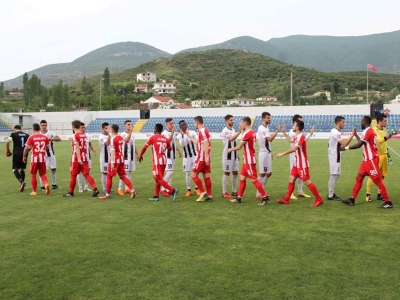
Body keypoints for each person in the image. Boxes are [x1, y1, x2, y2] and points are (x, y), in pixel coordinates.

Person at [340, 115, 393, 209]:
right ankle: (352, 199)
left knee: (377, 180)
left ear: (365, 122)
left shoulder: (368, 131)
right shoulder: (368, 131)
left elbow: (359, 145)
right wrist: (356, 135)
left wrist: (345, 148)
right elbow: (363, 142)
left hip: (371, 160)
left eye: (362, 121)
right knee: (359, 178)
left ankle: (388, 202)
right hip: (366, 161)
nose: (361, 123)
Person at [276, 120, 324, 207]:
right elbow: (291, 140)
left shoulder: (301, 136)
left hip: (302, 164)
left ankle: (319, 199)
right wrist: (284, 133)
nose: (293, 126)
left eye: (294, 125)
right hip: (296, 163)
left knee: (307, 182)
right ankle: (286, 199)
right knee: (291, 179)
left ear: (297, 127)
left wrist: (282, 153)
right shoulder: (296, 136)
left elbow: (294, 148)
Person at [227, 117, 271, 205]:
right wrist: (241, 131)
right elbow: (245, 141)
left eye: (242, 123)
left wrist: (230, 149)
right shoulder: (252, 132)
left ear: (245, 123)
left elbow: (239, 146)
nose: (240, 124)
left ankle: (264, 197)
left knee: (253, 179)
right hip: (247, 160)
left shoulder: (248, 133)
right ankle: (239, 198)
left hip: (249, 160)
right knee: (242, 178)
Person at [138, 123, 179, 201]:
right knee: (159, 178)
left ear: (156, 129)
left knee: (157, 178)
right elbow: (170, 149)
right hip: (164, 160)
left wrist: (140, 156)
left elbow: (144, 147)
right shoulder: (165, 138)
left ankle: (173, 191)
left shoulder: (153, 137)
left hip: (157, 161)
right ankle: (156, 196)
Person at [99, 124, 136, 200]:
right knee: (122, 176)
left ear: (112, 130)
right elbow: (127, 139)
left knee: (109, 176)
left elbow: (113, 151)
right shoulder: (120, 137)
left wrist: (112, 163)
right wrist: (131, 131)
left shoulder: (113, 139)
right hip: (121, 159)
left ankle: (107, 194)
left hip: (115, 159)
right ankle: (133, 190)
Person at [63, 120, 99, 197]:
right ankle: (95, 188)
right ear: (79, 126)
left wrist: (79, 159)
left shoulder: (75, 135)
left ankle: (71, 192)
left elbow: (77, 148)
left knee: (73, 175)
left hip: (76, 158)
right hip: (85, 157)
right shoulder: (84, 135)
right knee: (86, 174)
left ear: (72, 127)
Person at [282, 114, 314, 200]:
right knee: (294, 176)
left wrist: (310, 134)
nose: (301, 122)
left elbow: (301, 140)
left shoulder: (299, 134)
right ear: (295, 122)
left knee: (298, 176)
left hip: (299, 157)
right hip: (294, 156)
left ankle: (300, 192)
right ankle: (291, 194)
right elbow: (294, 143)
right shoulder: (293, 132)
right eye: (300, 120)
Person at [366, 114, 394, 202]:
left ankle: (379, 194)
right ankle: (368, 195)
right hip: (377, 156)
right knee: (373, 175)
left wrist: (388, 154)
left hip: (384, 155)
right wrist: (389, 136)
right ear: (379, 121)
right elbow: (379, 141)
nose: (386, 122)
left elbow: (385, 143)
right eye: (385, 121)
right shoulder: (374, 130)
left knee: (382, 176)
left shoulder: (385, 130)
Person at [185, 116, 213, 202]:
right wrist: (189, 136)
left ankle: (203, 192)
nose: (194, 125)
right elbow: (199, 143)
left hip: (201, 158)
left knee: (193, 174)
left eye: (194, 123)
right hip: (205, 157)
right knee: (206, 176)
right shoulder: (204, 131)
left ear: (197, 122)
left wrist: (205, 157)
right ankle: (210, 196)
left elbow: (205, 143)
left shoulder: (202, 131)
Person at [327, 116, 355, 201]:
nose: (344, 124)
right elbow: (344, 144)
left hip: (336, 155)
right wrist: (352, 135)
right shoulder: (336, 133)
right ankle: (330, 195)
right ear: (338, 123)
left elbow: (339, 146)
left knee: (336, 175)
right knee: (334, 175)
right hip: (334, 156)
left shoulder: (335, 131)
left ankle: (331, 193)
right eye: (343, 122)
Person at [256, 112, 280, 199]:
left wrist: (271, 152)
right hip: (263, 154)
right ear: (263, 119)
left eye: (270, 118)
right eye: (268, 118)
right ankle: (258, 193)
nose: (269, 119)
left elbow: (267, 143)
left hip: (267, 153)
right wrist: (277, 131)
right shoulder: (262, 129)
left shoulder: (266, 127)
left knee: (269, 173)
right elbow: (270, 139)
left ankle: (262, 191)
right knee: (262, 174)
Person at [22, 123, 51, 196]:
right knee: (42, 174)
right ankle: (46, 184)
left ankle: (34, 191)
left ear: (33, 129)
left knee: (33, 174)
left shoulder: (31, 137)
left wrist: (24, 156)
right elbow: (47, 148)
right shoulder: (45, 137)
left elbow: (26, 148)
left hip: (34, 158)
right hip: (42, 158)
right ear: (40, 128)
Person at [177, 120, 201, 197]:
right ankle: (189, 190)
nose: (184, 126)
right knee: (187, 173)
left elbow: (197, 141)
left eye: (185, 124)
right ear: (180, 127)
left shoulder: (193, 132)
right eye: (182, 125)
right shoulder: (179, 135)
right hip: (186, 158)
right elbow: (182, 145)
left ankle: (197, 188)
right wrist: (183, 136)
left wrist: (189, 136)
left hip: (194, 156)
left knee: (197, 172)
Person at [221, 114, 241, 198]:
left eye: (233, 120)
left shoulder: (233, 130)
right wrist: (240, 131)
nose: (232, 121)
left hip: (234, 155)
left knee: (235, 173)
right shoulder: (225, 130)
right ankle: (224, 192)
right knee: (227, 173)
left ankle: (234, 191)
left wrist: (237, 154)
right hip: (227, 156)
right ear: (226, 121)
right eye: (231, 120)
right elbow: (231, 138)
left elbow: (233, 143)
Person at [160, 117, 182, 197]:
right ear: (166, 124)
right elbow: (167, 142)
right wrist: (172, 132)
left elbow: (173, 143)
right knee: (170, 172)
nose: (172, 125)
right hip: (167, 155)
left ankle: (168, 189)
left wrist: (178, 150)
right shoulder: (165, 133)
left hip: (172, 155)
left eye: (173, 123)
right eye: (170, 123)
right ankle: (162, 189)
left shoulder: (171, 132)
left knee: (170, 172)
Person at [39, 120, 62, 191]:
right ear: (40, 126)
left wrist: (51, 139)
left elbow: (59, 139)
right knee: (43, 170)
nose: (44, 127)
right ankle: (42, 186)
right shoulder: (38, 134)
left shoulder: (51, 133)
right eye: (43, 125)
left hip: (51, 154)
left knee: (54, 169)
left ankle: (54, 184)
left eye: (45, 125)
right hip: (43, 155)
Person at [6, 125, 30, 192]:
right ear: (21, 129)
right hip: (24, 153)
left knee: (14, 169)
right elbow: (30, 146)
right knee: (22, 169)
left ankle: (22, 182)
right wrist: (27, 152)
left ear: (15, 129)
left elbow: (8, 141)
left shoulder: (13, 134)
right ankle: (22, 185)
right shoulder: (27, 135)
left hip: (16, 153)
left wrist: (7, 150)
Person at [117, 120, 138, 196]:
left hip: (131, 157)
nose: (130, 125)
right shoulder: (122, 134)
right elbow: (127, 139)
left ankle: (127, 188)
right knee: (124, 174)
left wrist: (137, 154)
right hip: (125, 157)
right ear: (125, 126)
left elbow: (133, 144)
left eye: (131, 124)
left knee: (130, 172)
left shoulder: (133, 134)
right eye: (128, 124)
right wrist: (130, 132)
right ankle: (119, 188)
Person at [77, 122, 96, 193]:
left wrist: (93, 149)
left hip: (87, 156)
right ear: (79, 128)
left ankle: (86, 186)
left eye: (84, 127)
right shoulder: (77, 135)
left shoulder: (88, 135)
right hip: (79, 156)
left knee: (87, 172)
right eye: (82, 127)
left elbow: (90, 144)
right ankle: (80, 187)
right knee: (79, 172)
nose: (83, 129)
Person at [99, 122, 111, 194]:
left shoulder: (110, 135)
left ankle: (108, 187)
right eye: (106, 128)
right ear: (103, 129)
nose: (107, 129)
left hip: (110, 157)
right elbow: (106, 143)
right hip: (104, 158)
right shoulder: (101, 136)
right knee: (104, 173)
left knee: (109, 173)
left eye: (108, 128)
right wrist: (110, 135)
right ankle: (104, 188)